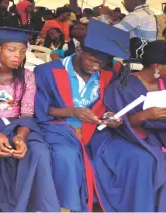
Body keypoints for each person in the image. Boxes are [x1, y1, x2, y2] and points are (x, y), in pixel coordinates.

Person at [34, 19, 130, 211]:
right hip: (57, 127)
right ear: (79, 51)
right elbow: (41, 110)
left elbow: (107, 105)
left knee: (123, 155)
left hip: (95, 130)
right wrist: (72, 112)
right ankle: (66, 207)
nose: (96, 68)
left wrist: (111, 116)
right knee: (66, 155)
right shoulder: (48, 71)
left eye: (101, 64)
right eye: (92, 61)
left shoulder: (107, 75)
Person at [0, 28, 59, 212]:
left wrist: (20, 137)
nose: (17, 55)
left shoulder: (27, 76)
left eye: (22, 51)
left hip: (19, 124)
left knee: (39, 150)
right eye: (11, 50)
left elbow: (27, 112)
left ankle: (28, 205)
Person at [90, 40, 166, 211]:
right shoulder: (123, 86)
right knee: (146, 164)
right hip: (125, 138)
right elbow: (115, 122)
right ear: (157, 66)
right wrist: (143, 116)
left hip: (160, 139)